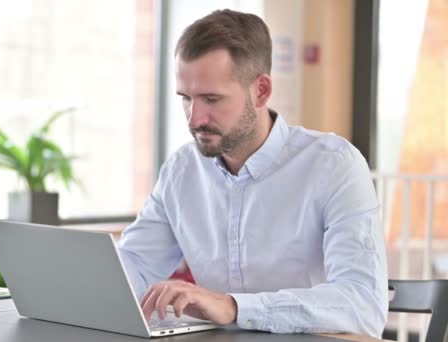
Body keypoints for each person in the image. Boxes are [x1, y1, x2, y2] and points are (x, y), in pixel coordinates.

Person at [117, 9, 388, 338]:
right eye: (185, 99)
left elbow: (363, 305)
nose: (194, 118)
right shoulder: (181, 171)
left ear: (260, 91)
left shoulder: (334, 165)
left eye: (212, 99)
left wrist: (234, 306)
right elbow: (135, 266)